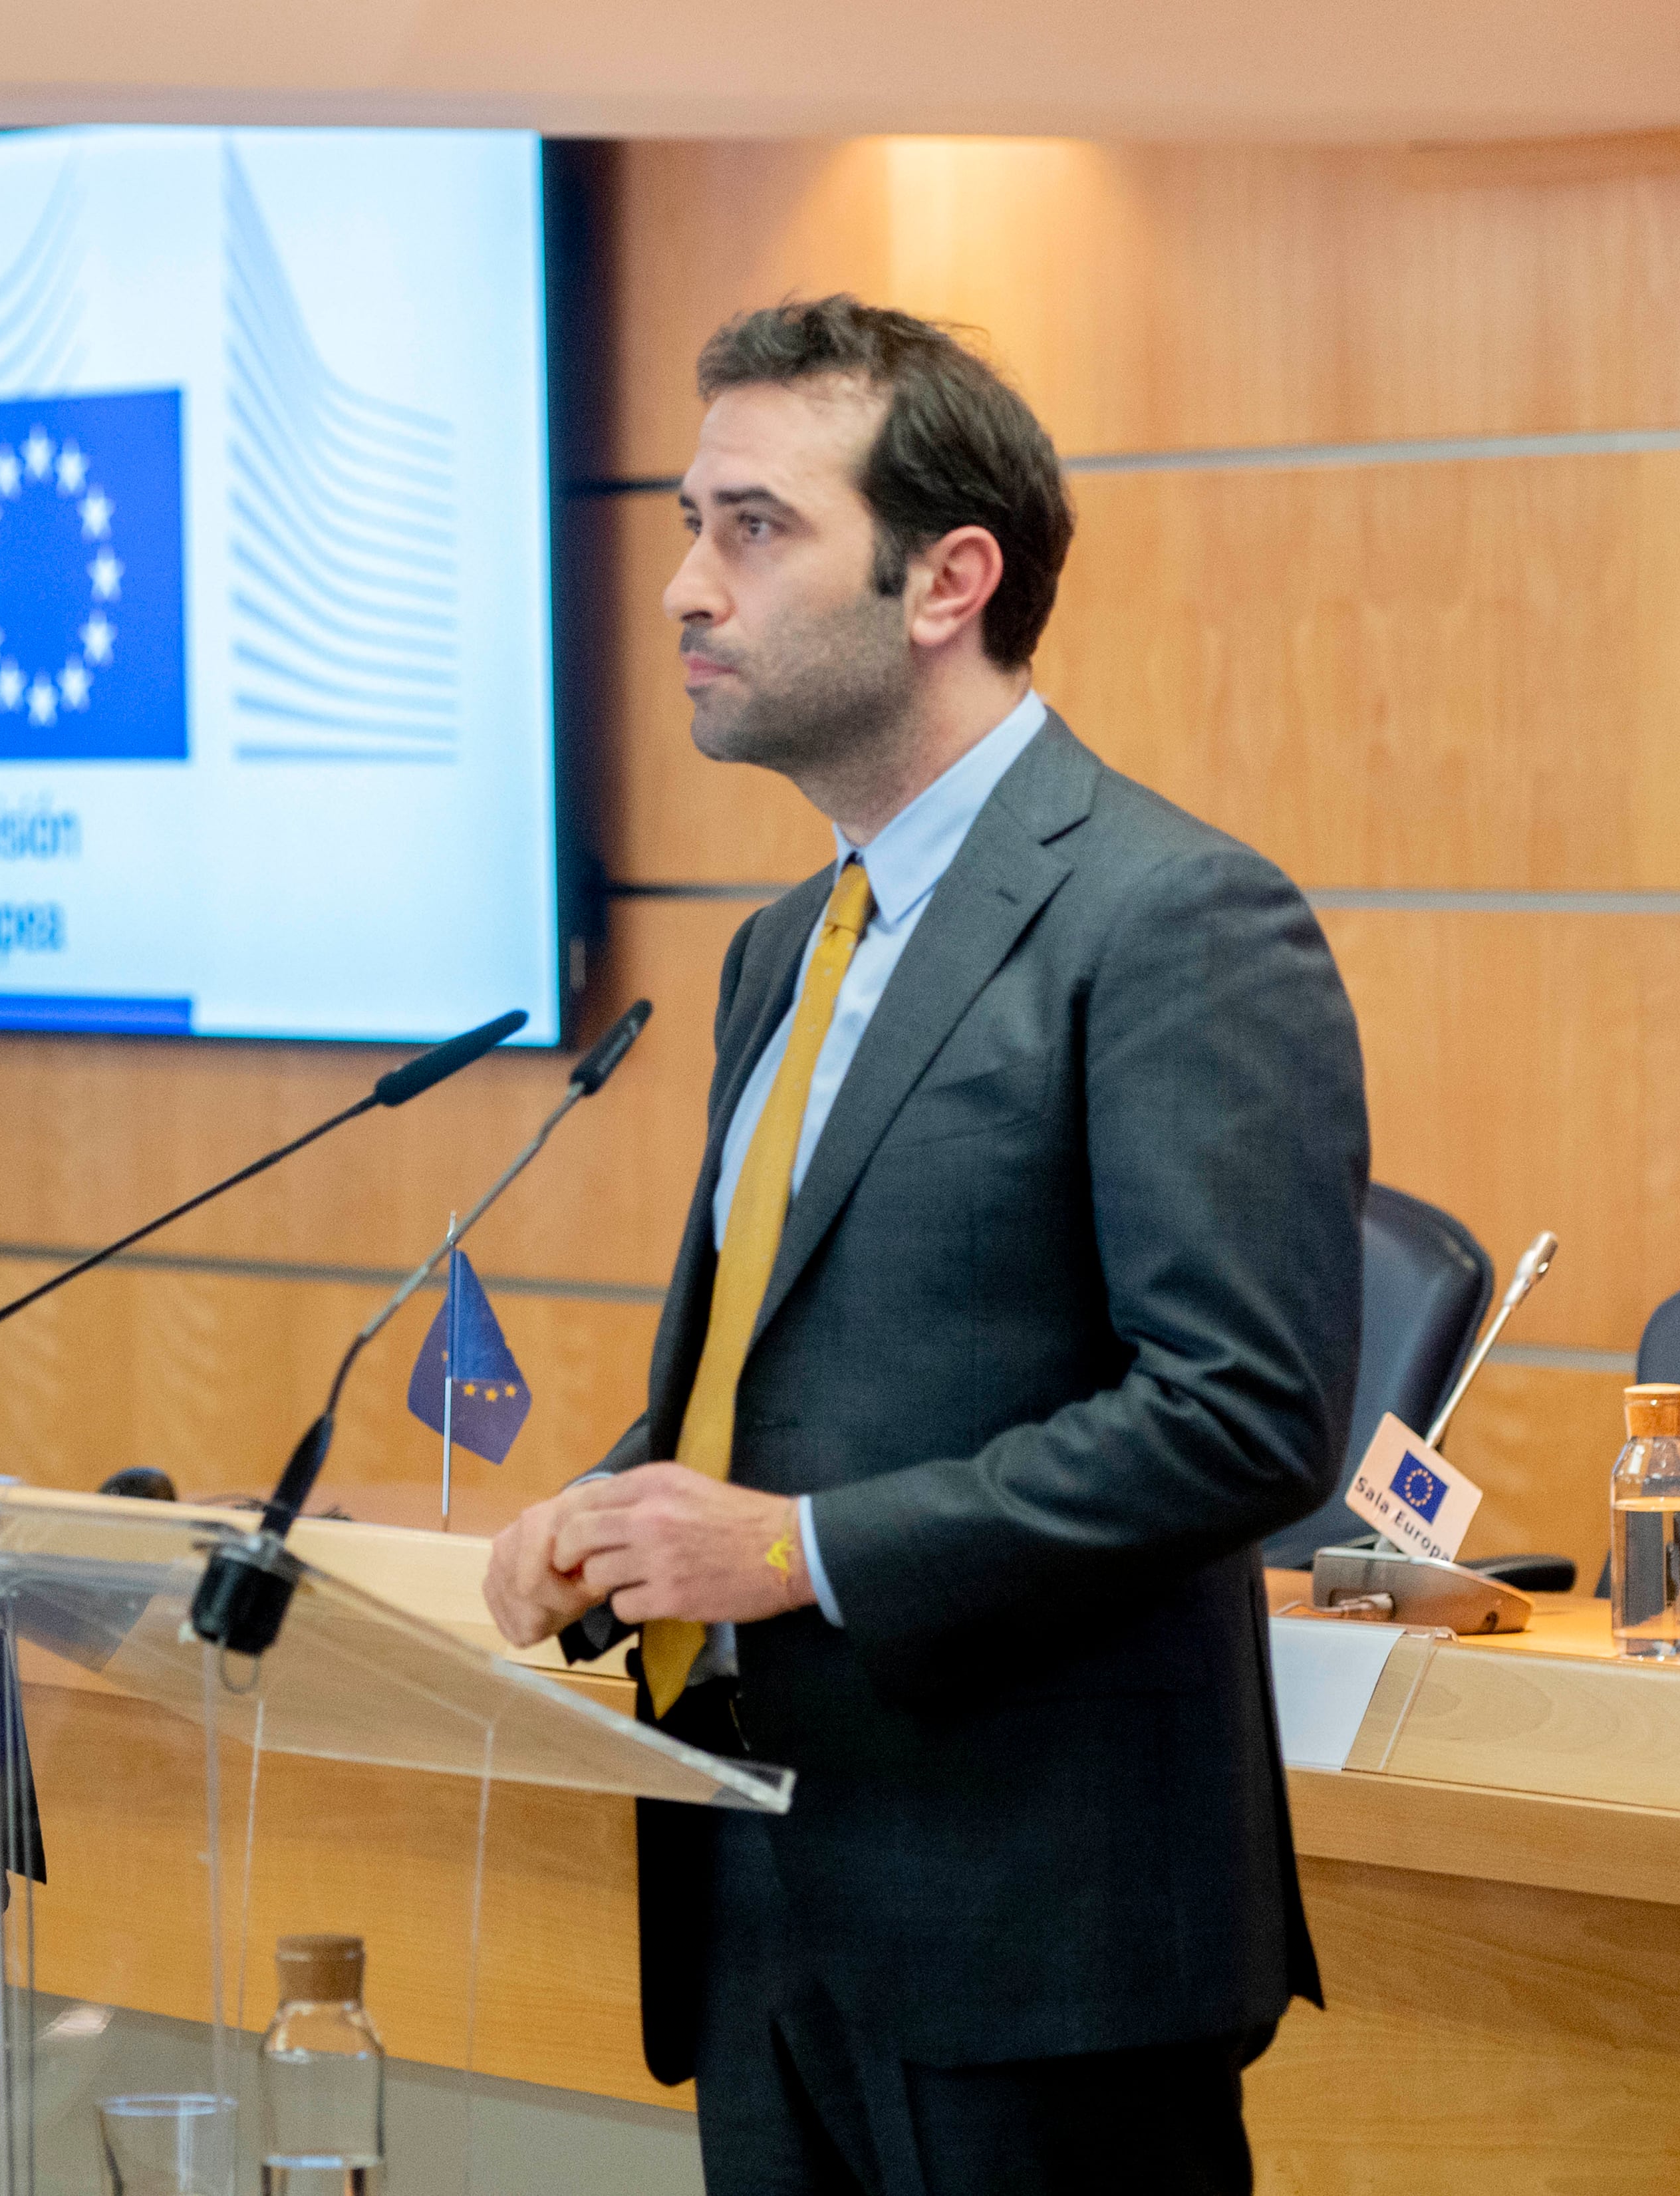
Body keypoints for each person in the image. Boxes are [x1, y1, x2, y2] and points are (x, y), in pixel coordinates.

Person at [482, 299, 1366, 2195]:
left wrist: (793, 1551)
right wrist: (623, 1516)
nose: (683, 590)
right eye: (686, 522)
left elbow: (1245, 1413)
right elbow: (786, 1378)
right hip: (756, 1880)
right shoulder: (779, 948)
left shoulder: (1173, 916)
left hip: (1036, 1929)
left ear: (947, 577)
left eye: (753, 526)